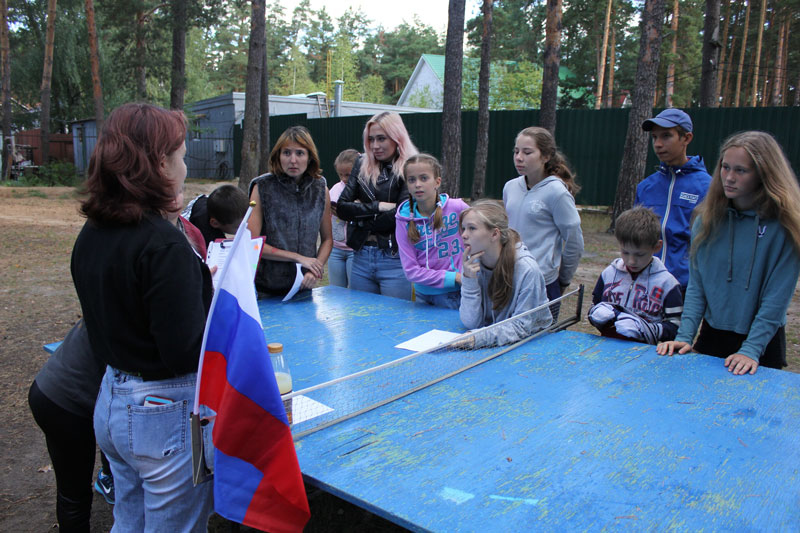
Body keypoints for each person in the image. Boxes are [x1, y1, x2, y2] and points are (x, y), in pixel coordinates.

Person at [71, 103, 214, 530]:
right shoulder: (164, 246)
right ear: (159, 164)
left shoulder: (93, 232)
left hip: (113, 399)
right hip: (163, 412)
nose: (186, 168)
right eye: (182, 156)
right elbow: (183, 352)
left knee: (129, 521)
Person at [657, 131, 800, 375]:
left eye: (741, 170)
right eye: (725, 167)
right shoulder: (707, 220)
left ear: (763, 173)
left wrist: (751, 349)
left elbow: (776, 299)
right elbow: (697, 287)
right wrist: (684, 336)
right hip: (713, 336)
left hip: (761, 344)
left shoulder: (785, 227)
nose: (729, 178)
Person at [28, 320, 115, 532]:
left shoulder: (112, 302)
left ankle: (108, 478)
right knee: (74, 496)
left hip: (55, 388)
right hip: (65, 403)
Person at [337, 112, 418, 300]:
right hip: (361, 255)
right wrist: (378, 206)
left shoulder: (411, 166)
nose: (375, 145)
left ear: (397, 137)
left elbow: (401, 215)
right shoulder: (361, 163)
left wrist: (361, 220)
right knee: (362, 316)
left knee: (394, 317)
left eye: (381, 138)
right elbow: (342, 208)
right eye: (371, 139)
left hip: (394, 256)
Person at [247, 126, 333, 295]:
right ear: (278, 156)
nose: (293, 160)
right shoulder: (262, 187)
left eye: (300, 153)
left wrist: (315, 269)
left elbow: (328, 240)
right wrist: (298, 257)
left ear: (310, 157)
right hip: (266, 288)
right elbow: (252, 243)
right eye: (286, 153)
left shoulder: (321, 189)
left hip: (304, 288)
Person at [503, 126, 583, 302]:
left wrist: (563, 280)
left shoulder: (557, 192)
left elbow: (574, 241)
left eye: (527, 152)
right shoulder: (510, 187)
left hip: (543, 282)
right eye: (516, 151)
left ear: (546, 156)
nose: (519, 157)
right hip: (510, 278)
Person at [636, 108, 713, 292]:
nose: (658, 144)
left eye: (666, 136)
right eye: (654, 137)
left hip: (685, 288)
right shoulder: (646, 187)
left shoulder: (707, 187)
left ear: (686, 138)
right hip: (646, 285)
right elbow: (634, 237)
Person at [459, 200, 552, 347]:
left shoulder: (527, 269)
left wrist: (477, 338)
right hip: (497, 343)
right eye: (463, 228)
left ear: (494, 234)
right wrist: (469, 279)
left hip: (533, 345)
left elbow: (522, 326)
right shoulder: (472, 264)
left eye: (472, 228)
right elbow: (470, 322)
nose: (464, 235)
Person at [588, 207, 683, 344]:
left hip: (645, 352)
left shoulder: (667, 284)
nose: (631, 261)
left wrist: (643, 329)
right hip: (605, 347)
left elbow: (675, 327)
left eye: (640, 254)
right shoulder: (609, 273)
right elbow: (594, 308)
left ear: (657, 247)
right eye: (625, 252)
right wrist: (596, 315)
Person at [395, 154, 469, 309]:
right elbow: (411, 271)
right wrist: (454, 277)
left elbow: (481, 236)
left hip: (457, 293)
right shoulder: (403, 219)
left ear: (437, 182)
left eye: (424, 178)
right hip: (423, 296)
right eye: (412, 180)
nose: (417, 184)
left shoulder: (457, 208)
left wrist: (468, 272)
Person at [328, 149, 360, 288]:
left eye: (348, 175)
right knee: (335, 290)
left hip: (354, 250)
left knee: (354, 290)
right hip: (336, 248)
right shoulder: (335, 188)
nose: (344, 179)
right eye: (340, 174)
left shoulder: (362, 189)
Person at [183, 184, 249, 247]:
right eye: (237, 227)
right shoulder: (208, 235)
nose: (244, 228)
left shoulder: (216, 202)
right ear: (215, 223)